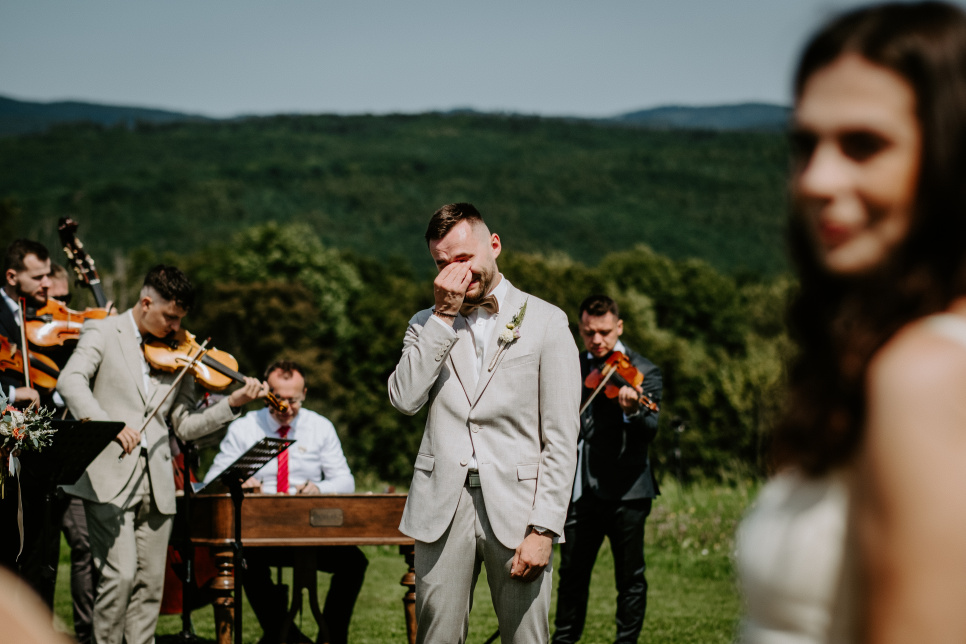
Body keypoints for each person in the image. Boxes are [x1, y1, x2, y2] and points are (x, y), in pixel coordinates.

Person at [737, 2, 966, 641]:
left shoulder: (927, 373)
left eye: (864, 145)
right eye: (805, 145)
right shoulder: (887, 348)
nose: (816, 179)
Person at [388, 202, 581, 644]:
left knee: (525, 638)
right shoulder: (424, 323)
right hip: (441, 505)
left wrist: (544, 528)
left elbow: (561, 437)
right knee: (436, 637)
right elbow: (404, 399)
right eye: (442, 264)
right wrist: (442, 318)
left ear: (494, 245)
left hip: (520, 510)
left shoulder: (547, 321)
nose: (455, 272)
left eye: (463, 257)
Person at [57, 264, 266, 644]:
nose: (175, 327)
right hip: (108, 478)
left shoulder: (180, 351)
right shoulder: (102, 330)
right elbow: (70, 381)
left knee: (151, 586)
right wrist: (106, 426)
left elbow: (185, 425)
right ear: (146, 302)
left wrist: (232, 403)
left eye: (180, 319)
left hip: (158, 481)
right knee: (119, 577)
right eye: (170, 317)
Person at [203, 360, 366, 644]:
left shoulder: (320, 427)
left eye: (294, 400)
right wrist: (237, 482)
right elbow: (212, 480)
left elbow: (345, 480)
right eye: (277, 398)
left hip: (310, 531)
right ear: (266, 393)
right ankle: (289, 638)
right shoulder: (244, 428)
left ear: (305, 394)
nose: (285, 407)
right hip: (260, 533)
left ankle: (331, 638)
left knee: (354, 562)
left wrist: (319, 487)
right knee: (243, 559)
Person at [552, 294, 662, 644]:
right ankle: (564, 640)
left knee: (630, 577)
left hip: (628, 492)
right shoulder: (571, 365)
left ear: (619, 327)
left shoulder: (643, 371)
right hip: (581, 490)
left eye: (604, 332)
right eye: (588, 333)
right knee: (572, 574)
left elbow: (650, 430)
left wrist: (633, 410)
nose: (596, 340)